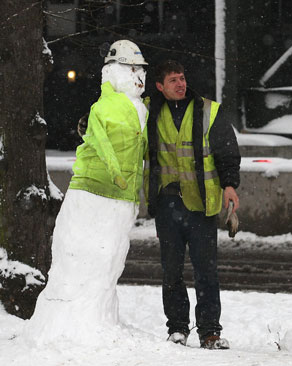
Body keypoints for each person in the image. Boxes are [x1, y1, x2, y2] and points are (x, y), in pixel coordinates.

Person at [25, 40, 149, 344]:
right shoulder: (104, 106)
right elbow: (99, 140)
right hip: (95, 192)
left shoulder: (140, 109)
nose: (138, 77)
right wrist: (117, 174)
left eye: (141, 70)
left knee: (107, 260)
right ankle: (68, 325)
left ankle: (97, 319)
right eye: (131, 69)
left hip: (122, 198)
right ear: (114, 71)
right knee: (83, 256)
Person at [145, 60, 241, 349]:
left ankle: (210, 330)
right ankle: (177, 328)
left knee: (206, 271)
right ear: (160, 86)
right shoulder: (148, 109)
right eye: (173, 80)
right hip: (166, 203)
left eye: (182, 78)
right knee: (171, 271)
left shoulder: (208, 110)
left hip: (200, 205)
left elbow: (227, 151)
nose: (180, 84)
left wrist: (230, 185)